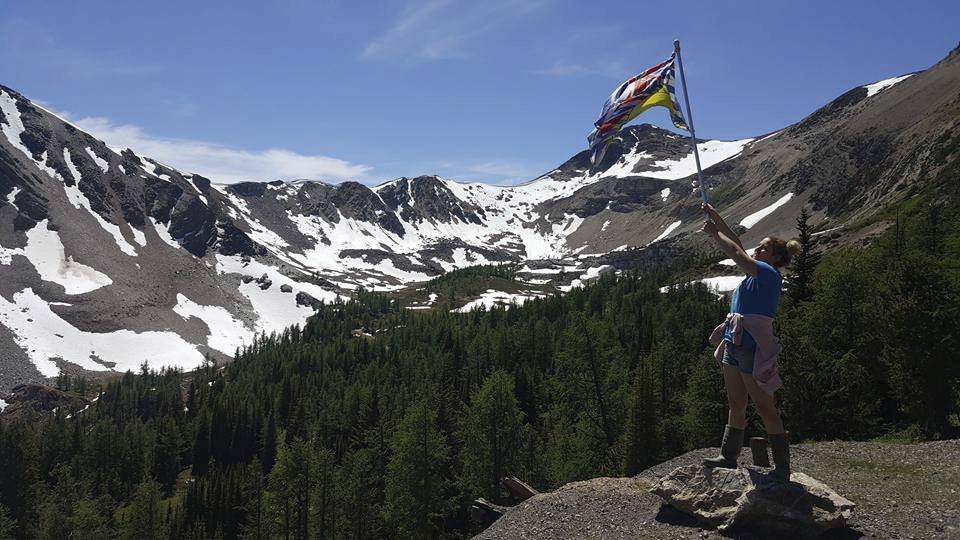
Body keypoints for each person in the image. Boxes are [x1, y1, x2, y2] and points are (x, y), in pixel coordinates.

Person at [699, 202, 801, 481]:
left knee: (763, 404)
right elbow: (738, 243)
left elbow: (734, 251)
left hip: (753, 345)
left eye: (764, 248)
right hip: (735, 342)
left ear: (776, 258)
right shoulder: (756, 273)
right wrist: (716, 216)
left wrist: (713, 234)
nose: (758, 250)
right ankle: (728, 456)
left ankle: (782, 466)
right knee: (736, 401)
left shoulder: (767, 273)